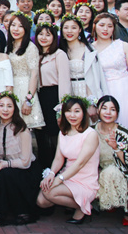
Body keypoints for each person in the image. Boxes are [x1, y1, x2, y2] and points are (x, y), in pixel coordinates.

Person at [36, 96, 100, 224]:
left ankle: (83, 207)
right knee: (41, 201)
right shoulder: (63, 132)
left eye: (77, 111)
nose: (72, 115)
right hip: (67, 175)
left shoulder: (90, 134)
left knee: (49, 193)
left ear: (84, 113)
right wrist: (52, 174)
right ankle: (77, 203)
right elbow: (58, 158)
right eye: (69, 111)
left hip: (84, 179)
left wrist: (59, 179)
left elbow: (79, 164)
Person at [0, 91, 40, 225]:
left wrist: (3, 164)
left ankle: (21, 210)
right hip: (7, 168)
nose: (5, 110)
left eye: (9, 106)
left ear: (14, 109)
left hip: (25, 170)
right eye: (1, 105)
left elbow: (25, 162)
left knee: (6, 174)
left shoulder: (22, 130)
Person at [93, 96, 128, 226]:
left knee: (110, 172)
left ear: (117, 113)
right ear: (98, 110)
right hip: (98, 169)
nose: (108, 112)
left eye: (112, 109)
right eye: (104, 108)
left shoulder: (123, 134)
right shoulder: (92, 131)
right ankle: (108, 203)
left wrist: (116, 148)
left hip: (123, 171)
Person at [91, 13, 128, 130]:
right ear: (95, 26)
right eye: (102, 25)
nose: (105, 29)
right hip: (104, 91)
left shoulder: (123, 46)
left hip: (126, 89)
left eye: (110, 26)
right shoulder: (90, 49)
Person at [35, 22, 70, 171]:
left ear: (54, 37)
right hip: (40, 97)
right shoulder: (36, 55)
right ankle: (44, 169)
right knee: (41, 135)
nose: (44, 37)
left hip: (54, 96)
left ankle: (58, 169)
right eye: (41, 34)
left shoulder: (59, 54)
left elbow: (64, 81)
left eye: (48, 35)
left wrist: (62, 106)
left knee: (55, 134)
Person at [59, 14, 106, 112]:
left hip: (87, 91)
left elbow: (97, 76)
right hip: (69, 92)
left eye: (74, 28)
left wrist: (92, 100)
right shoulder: (60, 51)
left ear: (80, 30)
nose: (69, 31)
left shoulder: (89, 49)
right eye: (66, 28)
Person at [6, 13, 44, 130]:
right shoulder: (9, 46)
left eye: (20, 26)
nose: (16, 29)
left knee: (25, 129)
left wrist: (29, 100)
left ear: (26, 29)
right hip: (12, 88)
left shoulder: (30, 47)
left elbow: (34, 74)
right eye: (13, 25)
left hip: (25, 88)